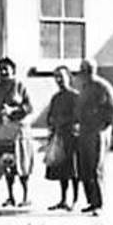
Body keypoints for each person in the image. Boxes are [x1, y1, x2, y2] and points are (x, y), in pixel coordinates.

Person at [0, 57, 34, 207]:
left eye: (6, 69)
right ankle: (10, 196)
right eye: (1, 70)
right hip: (2, 132)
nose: (3, 72)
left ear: (13, 70)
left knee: (22, 164)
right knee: (7, 165)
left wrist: (14, 110)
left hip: (19, 131)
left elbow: (29, 107)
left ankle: (26, 196)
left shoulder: (20, 86)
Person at [73, 58, 113, 216]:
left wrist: (103, 125)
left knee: (95, 167)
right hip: (85, 131)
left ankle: (98, 203)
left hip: (97, 132)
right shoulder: (84, 87)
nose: (84, 74)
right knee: (85, 167)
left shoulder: (102, 86)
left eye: (86, 71)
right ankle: (91, 201)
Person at [43, 67, 80, 210]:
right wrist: (51, 125)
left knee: (73, 169)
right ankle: (63, 199)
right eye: (56, 77)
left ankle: (75, 200)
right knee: (61, 169)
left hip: (71, 136)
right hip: (59, 136)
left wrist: (64, 121)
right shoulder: (56, 98)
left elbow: (78, 116)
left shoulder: (75, 96)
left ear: (69, 78)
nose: (59, 80)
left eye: (62, 77)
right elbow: (50, 115)